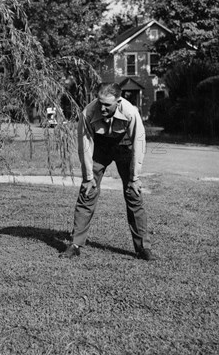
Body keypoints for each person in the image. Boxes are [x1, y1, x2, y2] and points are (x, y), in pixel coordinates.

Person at [60, 82, 156, 261]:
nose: (102, 108)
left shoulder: (131, 112)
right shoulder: (88, 112)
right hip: (100, 148)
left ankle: (143, 248)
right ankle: (75, 244)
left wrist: (134, 178)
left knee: (133, 194)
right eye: (100, 103)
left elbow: (139, 144)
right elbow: (85, 146)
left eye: (107, 105)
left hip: (124, 146)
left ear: (118, 101)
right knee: (87, 192)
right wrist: (88, 177)